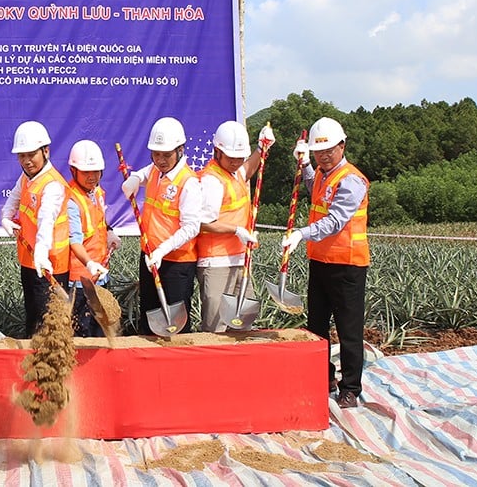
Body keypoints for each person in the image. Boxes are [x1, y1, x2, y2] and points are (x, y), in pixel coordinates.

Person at [281, 117, 369, 409]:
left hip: (347, 265)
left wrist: (301, 233)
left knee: (348, 330)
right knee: (317, 326)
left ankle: (351, 388)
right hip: (319, 260)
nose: (324, 155)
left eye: (329, 149)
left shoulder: (352, 180)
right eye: (319, 152)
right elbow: (315, 191)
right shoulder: (320, 172)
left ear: (342, 145)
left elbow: (335, 221)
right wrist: (305, 165)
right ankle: (324, 377)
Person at [121, 117, 202, 335]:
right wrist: (136, 178)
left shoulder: (189, 183)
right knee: (150, 313)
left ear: (180, 150)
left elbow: (192, 227)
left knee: (175, 323)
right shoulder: (156, 170)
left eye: (166, 155)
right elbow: (147, 172)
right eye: (156, 154)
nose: (161, 160)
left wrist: (163, 250)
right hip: (150, 256)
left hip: (177, 263)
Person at [195, 121, 273, 331]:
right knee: (217, 325)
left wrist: (262, 148)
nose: (236, 162)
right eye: (231, 158)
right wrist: (236, 230)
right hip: (216, 261)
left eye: (239, 157)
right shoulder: (211, 180)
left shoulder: (234, 171)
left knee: (242, 323)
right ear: (217, 152)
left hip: (239, 257)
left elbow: (247, 170)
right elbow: (202, 222)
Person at [0, 120, 71, 337]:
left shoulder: (52, 185)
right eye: (22, 156)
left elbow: (46, 220)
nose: (27, 161)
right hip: (30, 259)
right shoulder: (27, 176)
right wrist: (5, 217)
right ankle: (32, 361)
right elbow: (14, 197)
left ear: (45, 151)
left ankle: (51, 364)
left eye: (32, 154)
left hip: (50, 264)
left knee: (48, 322)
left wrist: (41, 252)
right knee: (33, 316)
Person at [66, 139, 121, 336]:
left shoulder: (96, 192)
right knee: (84, 332)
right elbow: (74, 241)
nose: (92, 177)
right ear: (74, 171)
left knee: (101, 330)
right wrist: (89, 263)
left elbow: (99, 221)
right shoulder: (72, 200)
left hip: (100, 274)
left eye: (96, 172)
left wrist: (109, 232)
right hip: (80, 281)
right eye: (86, 172)